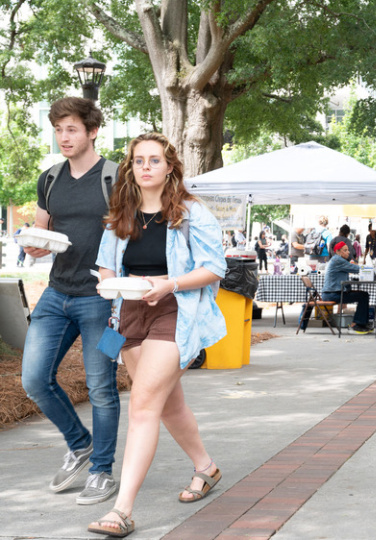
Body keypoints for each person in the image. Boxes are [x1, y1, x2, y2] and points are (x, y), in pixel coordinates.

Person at [88, 132, 227, 537]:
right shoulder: (121, 214)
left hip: (175, 310)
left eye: (154, 160)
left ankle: (122, 511)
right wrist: (109, 285)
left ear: (170, 166)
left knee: (143, 406)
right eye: (138, 161)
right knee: (167, 404)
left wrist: (169, 284)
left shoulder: (191, 213)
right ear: (130, 168)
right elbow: (107, 267)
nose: (145, 167)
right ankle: (206, 467)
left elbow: (214, 268)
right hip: (128, 313)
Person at [20, 97, 121, 505]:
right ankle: (80, 445)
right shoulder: (49, 179)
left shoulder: (116, 178)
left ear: (92, 131)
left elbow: (133, 232)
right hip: (56, 294)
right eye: (59, 129)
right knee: (33, 380)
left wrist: (121, 295)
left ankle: (102, 470)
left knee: (101, 388)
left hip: (101, 299)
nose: (64, 136)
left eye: (72, 129)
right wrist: (36, 246)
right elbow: (42, 232)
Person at [321, 241, 371, 333]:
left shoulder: (337, 260)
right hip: (332, 294)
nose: (348, 252)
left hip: (333, 293)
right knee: (363, 296)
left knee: (363, 294)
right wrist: (371, 269)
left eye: (348, 250)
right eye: (345, 250)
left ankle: (362, 323)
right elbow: (356, 269)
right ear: (338, 251)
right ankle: (357, 324)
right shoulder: (337, 260)